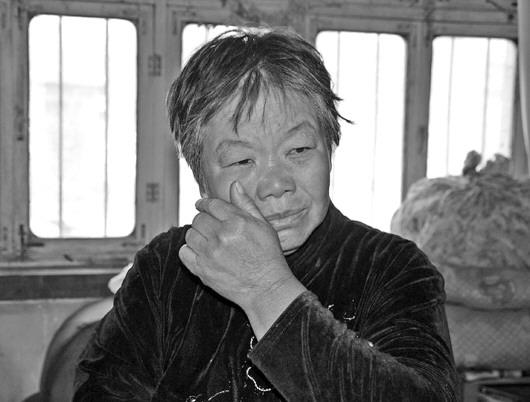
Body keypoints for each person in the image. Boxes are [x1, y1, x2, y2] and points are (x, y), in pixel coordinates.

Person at [74, 27, 458, 401]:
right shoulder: (164, 269)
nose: (276, 184)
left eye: (299, 150)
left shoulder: (392, 267)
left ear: (330, 148)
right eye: (242, 160)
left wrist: (268, 291)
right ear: (200, 177)